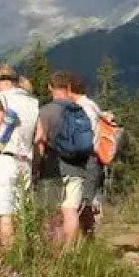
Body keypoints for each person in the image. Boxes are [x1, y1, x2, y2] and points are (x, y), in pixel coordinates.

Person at [0, 64, 39, 249]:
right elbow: (38, 135)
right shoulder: (33, 101)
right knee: (21, 210)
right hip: (25, 158)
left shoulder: (3, 99)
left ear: (3, 82)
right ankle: (23, 250)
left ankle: (8, 252)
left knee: (5, 211)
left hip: (4, 157)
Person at [33, 69, 95, 250]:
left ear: (50, 87)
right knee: (71, 211)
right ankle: (70, 251)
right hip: (77, 167)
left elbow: (40, 140)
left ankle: (57, 252)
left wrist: (36, 166)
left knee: (54, 213)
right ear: (68, 87)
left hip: (53, 168)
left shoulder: (46, 112)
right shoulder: (79, 111)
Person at [69, 73, 105, 236]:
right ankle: (88, 237)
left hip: (87, 158)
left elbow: (85, 134)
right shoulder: (91, 105)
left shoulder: (83, 107)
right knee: (87, 198)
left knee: (84, 200)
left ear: (70, 90)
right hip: (94, 157)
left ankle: (87, 237)